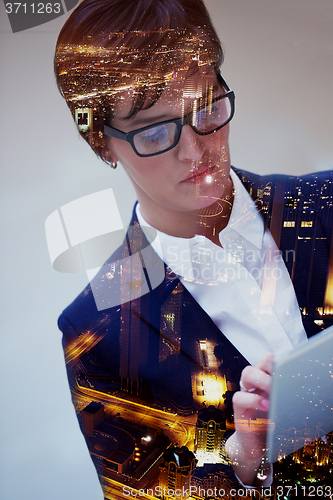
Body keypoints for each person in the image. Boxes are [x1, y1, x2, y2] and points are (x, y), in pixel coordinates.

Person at [54, 0, 333, 497]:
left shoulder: (327, 204)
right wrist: (241, 460)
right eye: (155, 131)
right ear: (101, 143)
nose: (196, 148)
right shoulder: (97, 332)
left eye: (205, 107)